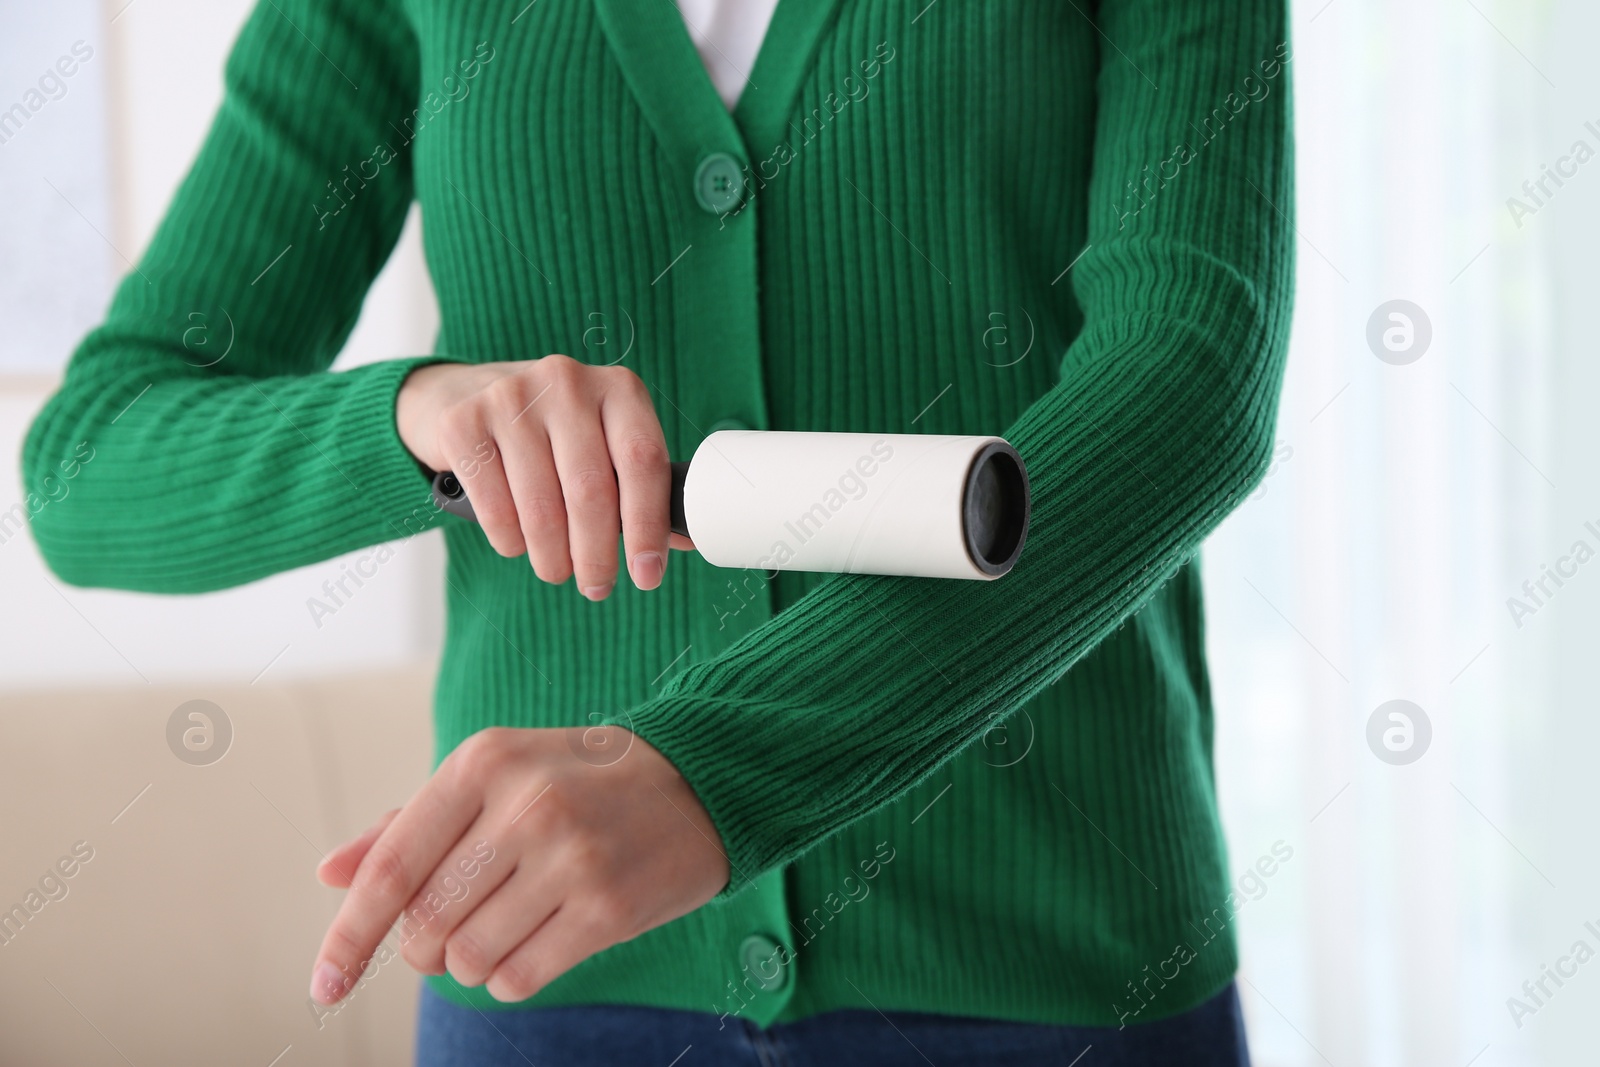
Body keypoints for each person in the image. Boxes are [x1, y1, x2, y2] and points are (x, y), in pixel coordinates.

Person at [24, 0, 1294, 1063]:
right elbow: (90, 465)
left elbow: (1189, 377)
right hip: (547, 979)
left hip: (1049, 963)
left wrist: (717, 769)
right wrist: (420, 422)